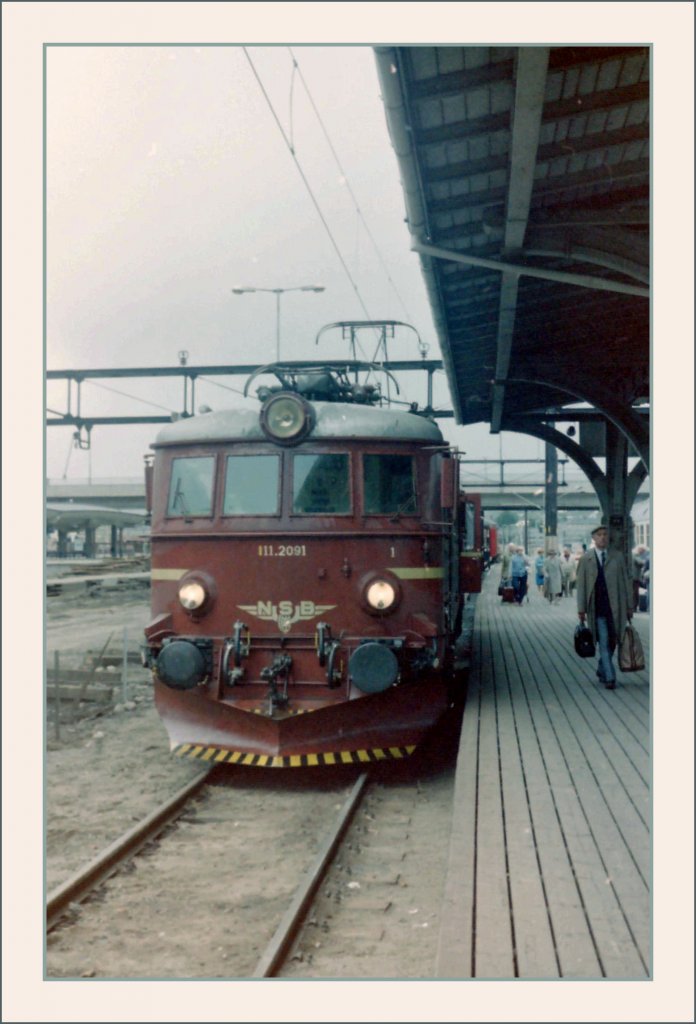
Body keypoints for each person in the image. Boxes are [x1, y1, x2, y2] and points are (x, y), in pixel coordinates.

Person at [576, 524, 632, 689]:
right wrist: (581, 609)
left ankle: (602, 668)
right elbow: (582, 586)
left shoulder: (617, 557)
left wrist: (629, 605)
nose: (603, 538)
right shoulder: (587, 559)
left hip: (616, 608)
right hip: (597, 609)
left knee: (614, 640)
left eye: (605, 535)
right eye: (599, 535)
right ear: (593, 538)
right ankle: (610, 677)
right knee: (604, 643)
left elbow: (626, 582)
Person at [631, 545, 648, 612]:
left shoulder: (632, 554)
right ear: (639, 549)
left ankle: (634, 607)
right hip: (635, 577)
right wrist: (647, 561)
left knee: (634, 592)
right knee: (635, 593)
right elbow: (640, 562)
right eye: (643, 551)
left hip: (633, 577)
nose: (643, 553)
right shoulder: (635, 554)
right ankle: (634, 607)